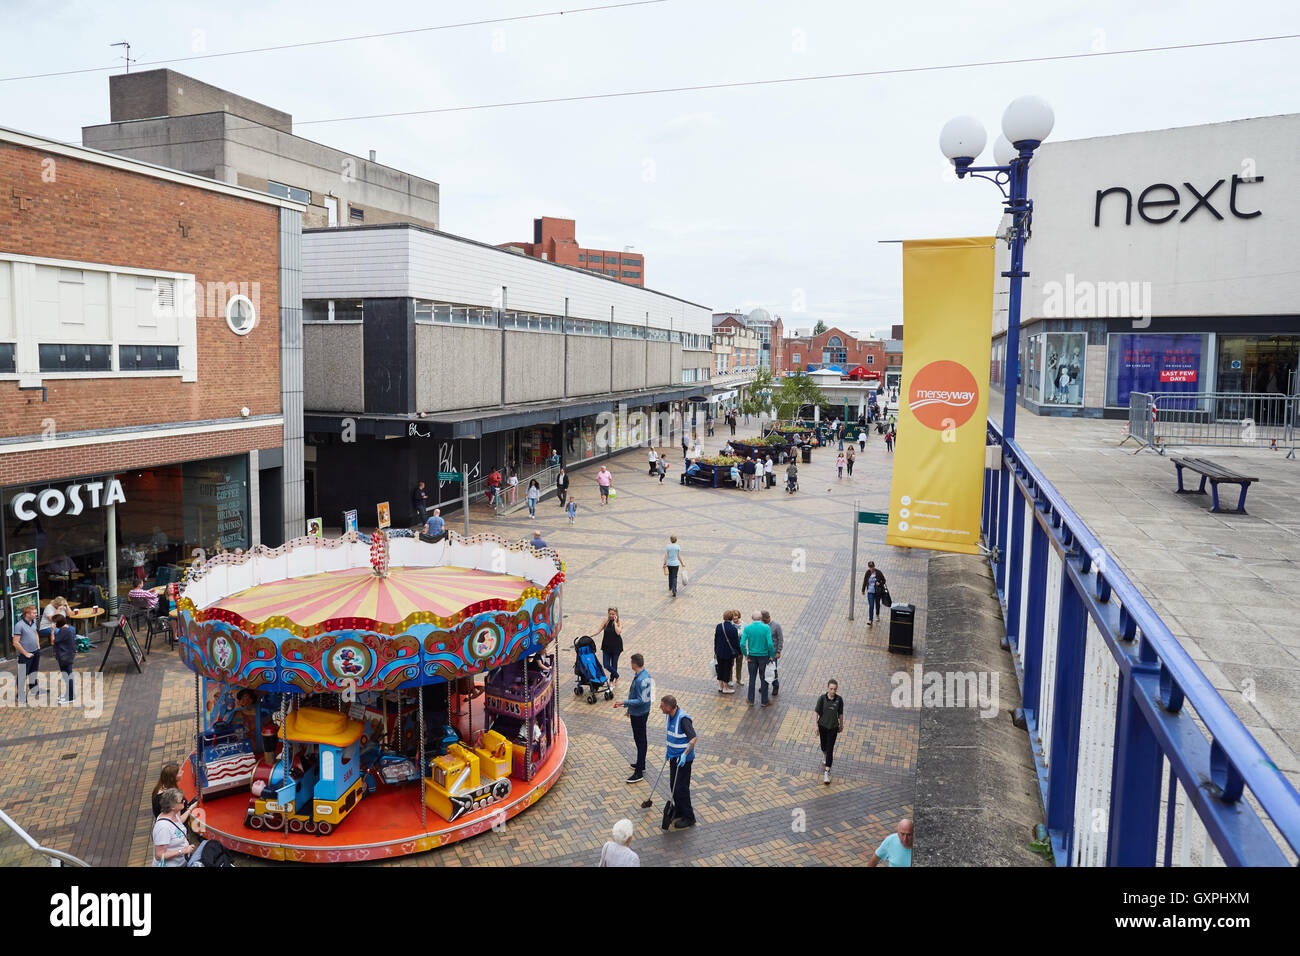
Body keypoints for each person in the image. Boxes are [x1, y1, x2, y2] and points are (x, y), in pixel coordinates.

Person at [614, 653, 653, 782]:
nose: (630, 664)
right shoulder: (644, 675)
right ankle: (640, 764)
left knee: (640, 741)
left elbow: (641, 700)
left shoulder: (641, 679)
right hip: (642, 712)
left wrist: (625, 703)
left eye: (631, 662)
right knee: (640, 739)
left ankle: (639, 773)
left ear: (634, 664)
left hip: (639, 714)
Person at [661, 695, 697, 829]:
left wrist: (684, 755)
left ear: (669, 708)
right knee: (673, 785)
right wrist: (669, 752)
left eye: (662, 706)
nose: (660, 708)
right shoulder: (669, 716)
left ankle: (689, 817)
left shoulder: (683, 719)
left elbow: (693, 738)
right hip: (673, 757)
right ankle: (680, 810)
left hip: (683, 760)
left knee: (681, 788)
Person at [152, 788, 197, 866]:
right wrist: (182, 851)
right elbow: (159, 856)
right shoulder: (163, 828)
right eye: (181, 801)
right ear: (173, 807)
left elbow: (180, 820)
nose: (184, 801)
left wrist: (191, 808)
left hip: (182, 862)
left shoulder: (173, 814)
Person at [740, 612, 774, 707]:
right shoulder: (766, 628)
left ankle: (750, 700)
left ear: (752, 618)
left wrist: (746, 654)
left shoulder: (747, 628)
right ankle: (764, 701)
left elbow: (742, 643)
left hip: (752, 656)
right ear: (761, 618)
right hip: (764, 656)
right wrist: (771, 655)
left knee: (752, 678)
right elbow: (770, 644)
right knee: (764, 678)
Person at [814, 679, 844, 784]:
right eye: (831, 689)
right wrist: (815, 726)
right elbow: (816, 711)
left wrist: (841, 724)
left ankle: (827, 772)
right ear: (827, 688)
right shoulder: (822, 699)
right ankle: (824, 753)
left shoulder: (839, 700)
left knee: (830, 748)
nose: (833, 691)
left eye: (835, 689)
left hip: (833, 727)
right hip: (822, 726)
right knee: (824, 746)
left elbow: (840, 713)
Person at [12, 602, 42, 700]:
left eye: (35, 612)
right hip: (25, 655)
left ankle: (34, 689)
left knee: (34, 672)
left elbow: (35, 633)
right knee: (22, 675)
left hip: (35, 652)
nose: (36, 614)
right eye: (34, 613)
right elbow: (15, 642)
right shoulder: (19, 625)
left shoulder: (33, 622)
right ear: (27, 614)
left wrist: (38, 646)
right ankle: (19, 694)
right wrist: (25, 653)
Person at [52, 613, 77, 703]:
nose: (53, 624)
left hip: (65, 656)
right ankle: (69, 694)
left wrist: (52, 631)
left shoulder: (64, 631)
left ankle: (70, 697)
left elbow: (53, 641)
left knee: (68, 676)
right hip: (68, 655)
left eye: (54, 623)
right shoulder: (69, 628)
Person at [714, 611, 740, 694]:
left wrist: (715, 650)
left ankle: (720, 686)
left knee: (720, 668)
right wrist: (738, 652)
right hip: (728, 653)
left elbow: (716, 639)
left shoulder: (719, 626)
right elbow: (736, 643)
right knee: (727, 669)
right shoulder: (733, 629)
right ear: (731, 617)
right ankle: (725, 687)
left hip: (719, 651)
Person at [599, 607, 623, 687]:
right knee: (606, 664)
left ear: (616, 614)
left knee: (614, 664)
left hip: (616, 647)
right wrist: (591, 635)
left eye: (613, 614)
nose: (611, 615)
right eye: (610, 614)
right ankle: (617, 676)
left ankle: (612, 680)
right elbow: (599, 630)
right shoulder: (606, 621)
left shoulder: (619, 622)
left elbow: (618, 632)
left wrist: (615, 623)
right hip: (606, 646)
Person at [762, 610, 783, 696]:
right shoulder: (762, 625)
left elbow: (780, 639)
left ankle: (775, 686)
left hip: (772, 652)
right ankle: (765, 686)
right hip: (763, 652)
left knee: (772, 670)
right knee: (763, 670)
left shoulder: (776, 625)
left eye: (763, 620)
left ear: (768, 618)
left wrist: (778, 651)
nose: (762, 621)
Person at [861, 560, 887, 627]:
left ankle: (877, 614)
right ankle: (870, 620)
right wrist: (863, 590)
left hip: (877, 592)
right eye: (870, 567)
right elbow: (865, 581)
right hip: (870, 592)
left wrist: (880, 583)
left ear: (874, 566)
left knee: (877, 604)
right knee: (871, 606)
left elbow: (884, 580)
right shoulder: (867, 572)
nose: (871, 568)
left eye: (872, 567)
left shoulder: (878, 573)